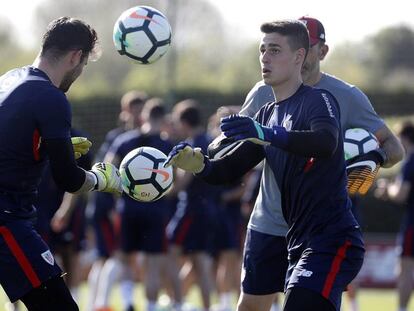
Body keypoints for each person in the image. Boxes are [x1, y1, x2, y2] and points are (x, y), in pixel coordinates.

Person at [165, 20, 365, 311]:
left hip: (331, 239)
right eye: (262, 50)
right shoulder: (267, 113)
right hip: (296, 241)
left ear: (299, 57)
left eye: (274, 50)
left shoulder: (319, 99)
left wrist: (265, 134)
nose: (265, 58)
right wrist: (198, 165)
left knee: (298, 303)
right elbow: (228, 169)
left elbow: (325, 142)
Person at [236, 16, 404, 311]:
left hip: (319, 227)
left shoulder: (347, 97)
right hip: (268, 222)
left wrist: (371, 159)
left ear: (320, 52)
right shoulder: (263, 91)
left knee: (307, 304)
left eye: (307, 45)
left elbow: (394, 147)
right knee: (250, 306)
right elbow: (239, 144)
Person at [0, 17, 122, 311]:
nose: (80, 72)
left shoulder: (9, 78)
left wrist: (46, 146)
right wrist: (100, 179)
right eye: (84, 65)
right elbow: (68, 179)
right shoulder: (51, 96)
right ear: (76, 56)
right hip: (6, 218)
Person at [87, 90, 148, 311]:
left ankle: (125, 302)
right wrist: (113, 205)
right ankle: (100, 303)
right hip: (108, 205)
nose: (141, 113)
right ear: (126, 111)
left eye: (143, 109)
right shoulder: (118, 137)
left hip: (125, 206)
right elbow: (106, 172)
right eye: (137, 109)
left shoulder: (142, 137)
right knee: (112, 254)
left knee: (121, 255)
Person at [374, 122, 414, 311]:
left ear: (405, 139)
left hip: (412, 224)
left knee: (405, 269)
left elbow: (400, 194)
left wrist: (386, 190)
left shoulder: (410, 162)